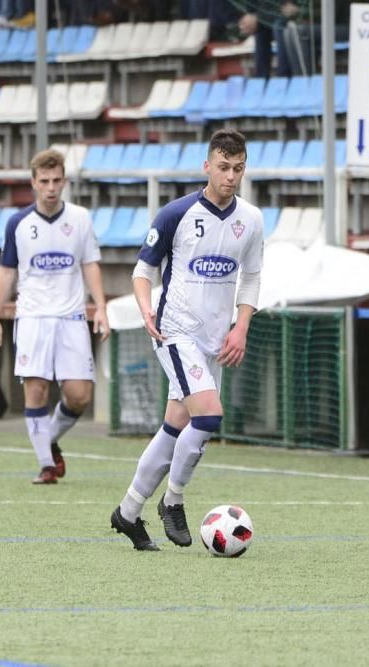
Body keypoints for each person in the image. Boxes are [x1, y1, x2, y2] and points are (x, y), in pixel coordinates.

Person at [110, 129, 264, 551]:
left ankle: (126, 512)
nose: (231, 176)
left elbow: (252, 277)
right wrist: (145, 309)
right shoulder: (176, 214)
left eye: (238, 168)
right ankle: (172, 501)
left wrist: (241, 326)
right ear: (207, 167)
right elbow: (143, 271)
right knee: (209, 415)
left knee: (176, 425)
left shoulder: (250, 219)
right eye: (223, 167)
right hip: (175, 330)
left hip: (216, 338)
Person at [0, 149, 110, 485]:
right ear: (33, 183)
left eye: (56, 181)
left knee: (79, 395)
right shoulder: (18, 223)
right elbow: (5, 273)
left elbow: (90, 264)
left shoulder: (80, 218)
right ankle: (46, 465)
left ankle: (48, 438)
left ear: (64, 181)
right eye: (44, 181)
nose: (51, 188)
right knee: (36, 389)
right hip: (33, 317)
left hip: (71, 316)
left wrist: (100, 308)